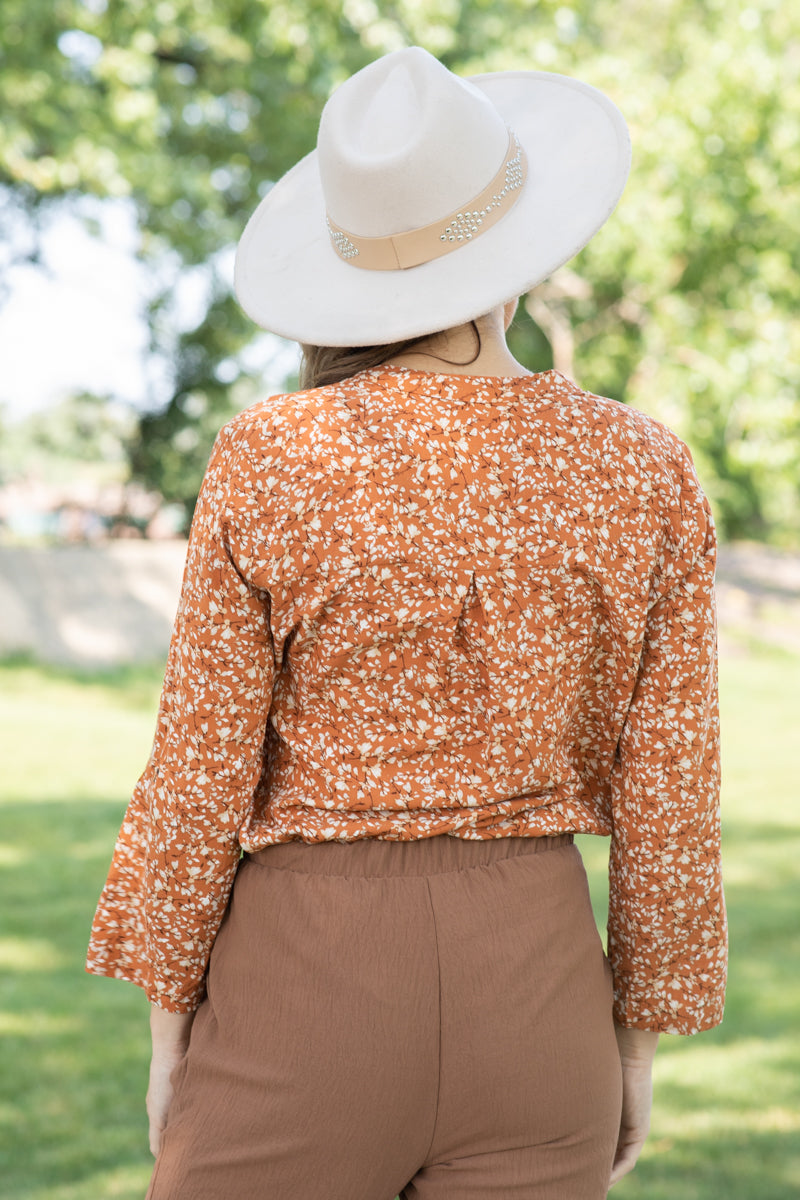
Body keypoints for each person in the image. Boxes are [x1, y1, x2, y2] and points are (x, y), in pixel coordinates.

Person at [87, 46, 727, 1200]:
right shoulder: (645, 470)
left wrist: (166, 1018)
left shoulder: (275, 456)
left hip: (304, 984)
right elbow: (670, 790)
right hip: (540, 1002)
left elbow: (200, 766)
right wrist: (633, 1041)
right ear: (513, 252)